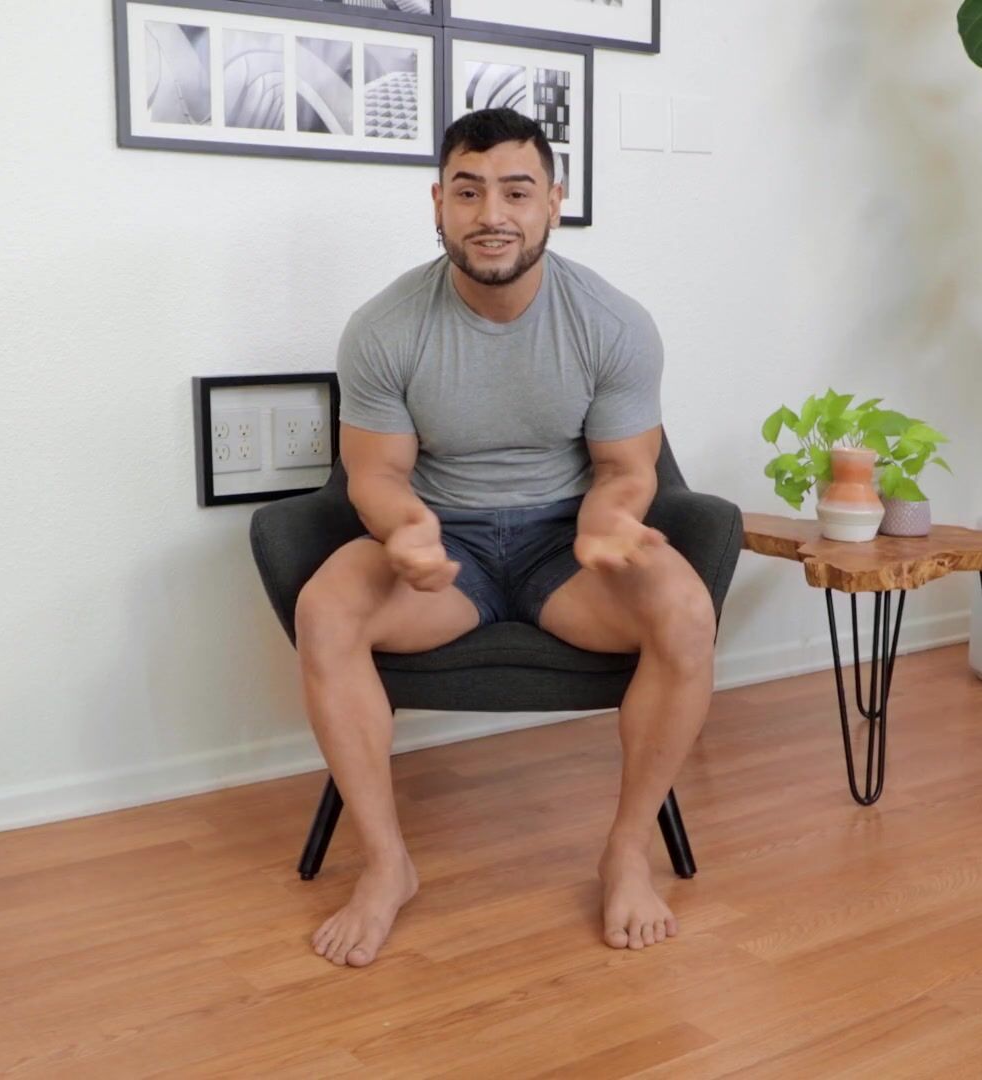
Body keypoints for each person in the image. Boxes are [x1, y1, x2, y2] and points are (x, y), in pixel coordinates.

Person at [294, 108, 716, 969]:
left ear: (554, 202)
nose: (493, 214)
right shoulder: (384, 327)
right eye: (469, 191)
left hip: (569, 553)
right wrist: (405, 527)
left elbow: (627, 467)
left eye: (517, 192)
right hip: (445, 553)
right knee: (325, 607)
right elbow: (374, 474)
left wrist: (608, 515)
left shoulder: (612, 322)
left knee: (684, 608)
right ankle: (386, 866)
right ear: (438, 205)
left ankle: (626, 853)